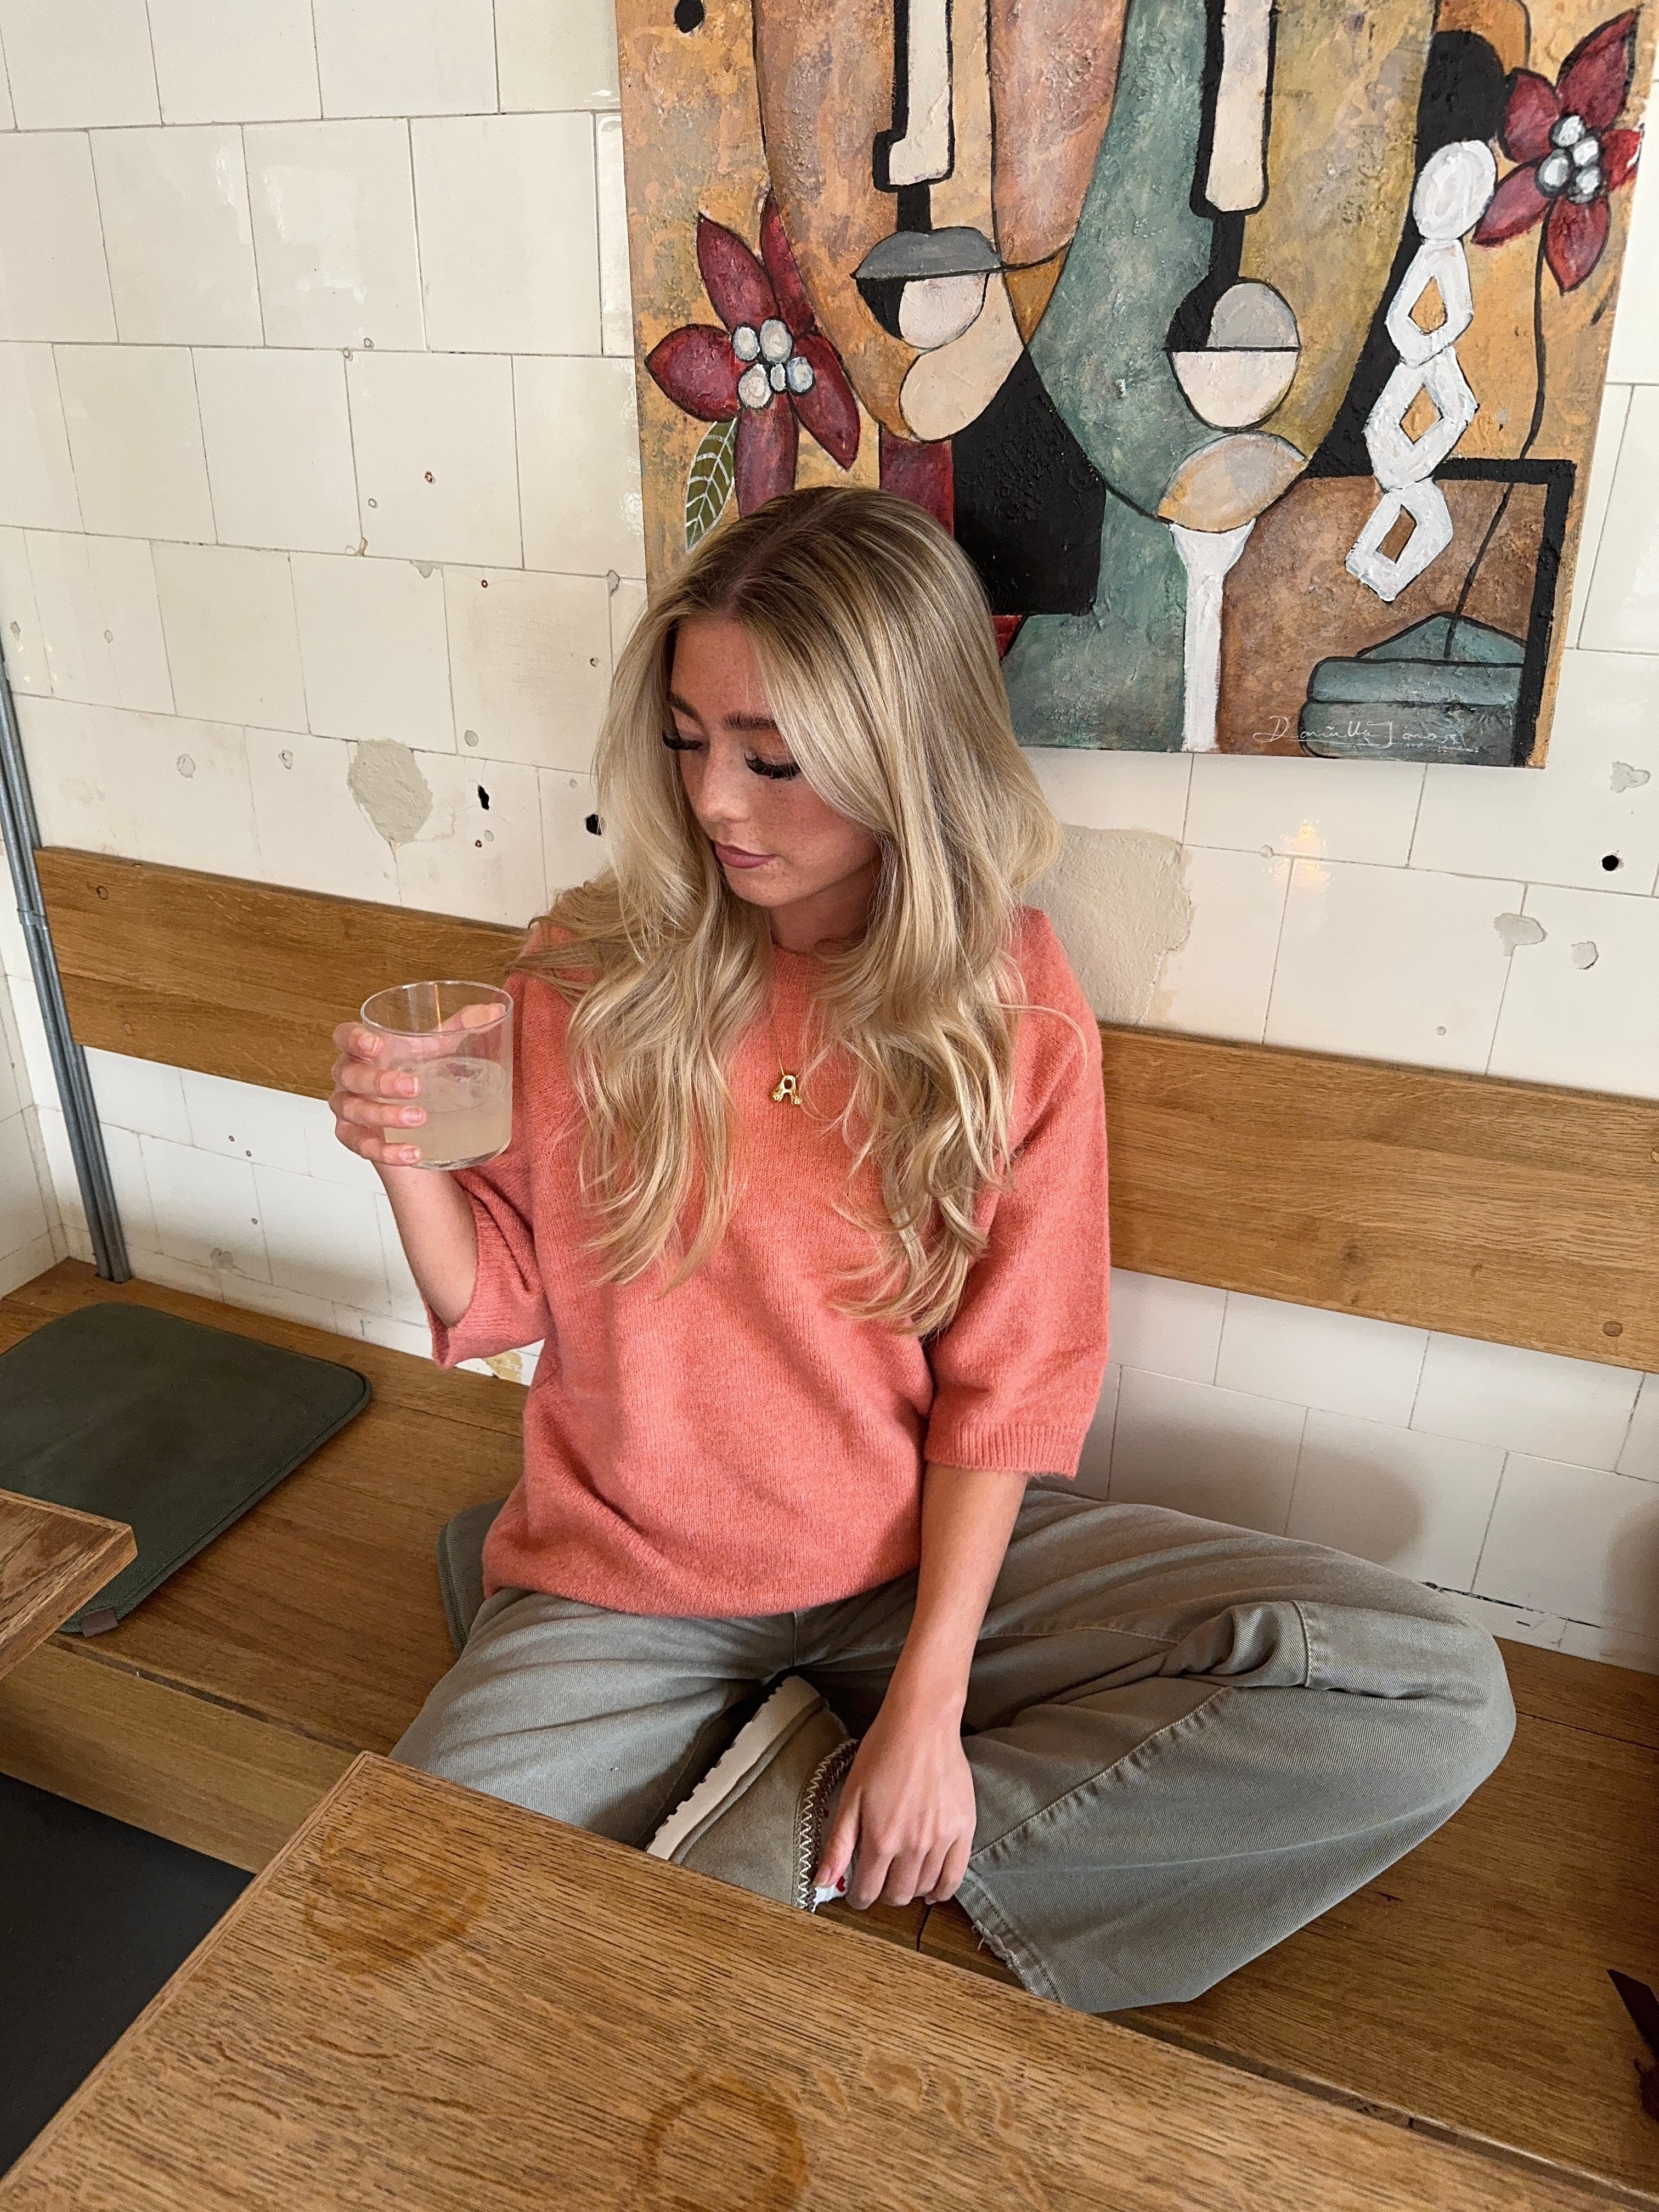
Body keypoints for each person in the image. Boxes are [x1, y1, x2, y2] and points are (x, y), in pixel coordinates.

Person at [328, 486, 1514, 2012]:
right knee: (403, 1916)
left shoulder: (1003, 1006)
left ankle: (793, 1833)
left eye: (773, 757)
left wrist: (930, 1712)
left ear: (904, 749)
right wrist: (404, 1157)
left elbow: (1014, 1386)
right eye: (687, 742)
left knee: (1428, 1691)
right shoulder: (588, 973)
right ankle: (807, 1841)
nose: (717, 802)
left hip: (923, 1571)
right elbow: (495, 1300)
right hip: (627, 1586)